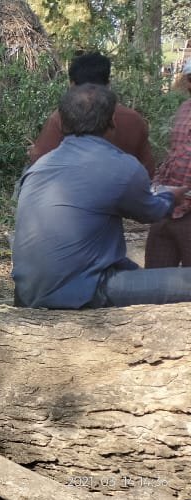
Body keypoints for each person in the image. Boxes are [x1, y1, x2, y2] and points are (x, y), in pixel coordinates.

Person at [12, 83, 191, 309]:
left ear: (62, 122)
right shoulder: (122, 166)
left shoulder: (40, 166)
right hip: (82, 289)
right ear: (112, 122)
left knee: (134, 271)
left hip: (27, 290)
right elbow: (150, 212)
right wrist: (170, 198)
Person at [27, 52, 155, 176]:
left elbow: (39, 164)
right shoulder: (134, 120)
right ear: (108, 85)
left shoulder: (60, 118)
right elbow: (148, 172)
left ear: (72, 86)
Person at [144, 61, 191, 267]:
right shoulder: (184, 109)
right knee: (155, 277)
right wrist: (157, 186)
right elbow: (176, 153)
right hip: (168, 206)